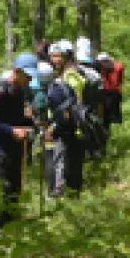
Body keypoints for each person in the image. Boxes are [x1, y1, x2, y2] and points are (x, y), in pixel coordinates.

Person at [0, 53, 40, 238]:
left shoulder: (19, 91)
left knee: (15, 191)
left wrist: (31, 123)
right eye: (27, 76)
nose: (30, 80)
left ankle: (13, 231)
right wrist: (11, 131)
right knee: (2, 191)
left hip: (14, 148)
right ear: (16, 72)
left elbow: (14, 118)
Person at [43, 40, 87, 196]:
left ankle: (68, 194)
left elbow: (73, 102)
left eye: (59, 56)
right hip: (57, 124)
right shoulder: (56, 76)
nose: (56, 59)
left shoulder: (71, 76)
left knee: (68, 161)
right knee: (60, 159)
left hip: (68, 125)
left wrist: (58, 123)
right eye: (53, 56)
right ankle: (65, 192)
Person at [97, 52, 126, 127]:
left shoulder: (99, 66)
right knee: (113, 117)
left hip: (104, 93)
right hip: (116, 92)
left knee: (104, 117)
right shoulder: (118, 66)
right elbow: (120, 81)